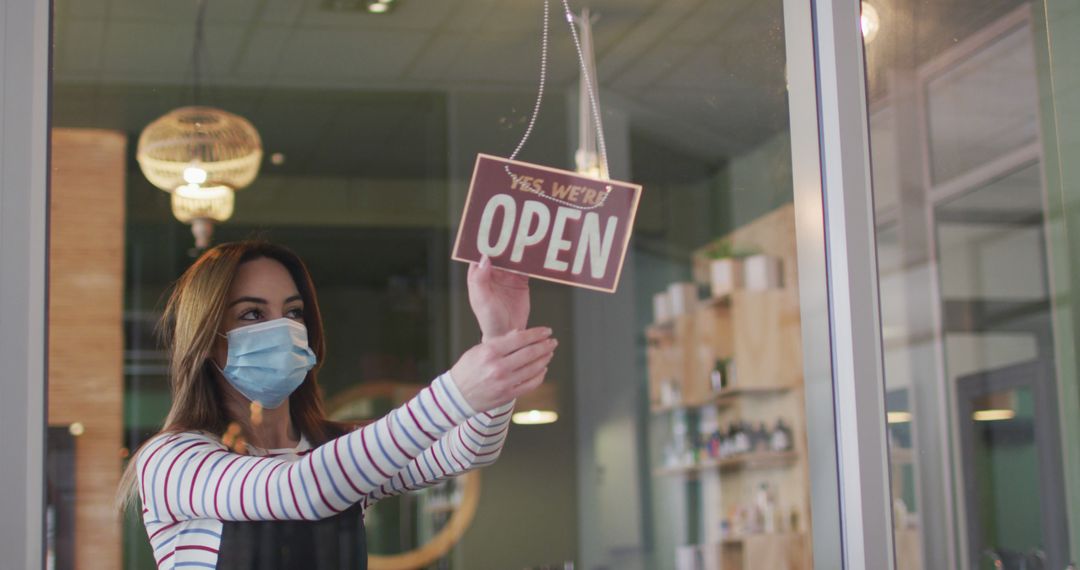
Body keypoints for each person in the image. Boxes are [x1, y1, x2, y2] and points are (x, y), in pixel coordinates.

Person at [117, 241, 555, 570]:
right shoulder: (171, 460)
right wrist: (457, 391)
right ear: (207, 337)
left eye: (293, 312)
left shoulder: (332, 448)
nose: (282, 329)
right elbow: (297, 489)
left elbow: (466, 451)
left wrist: (500, 344)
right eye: (251, 314)